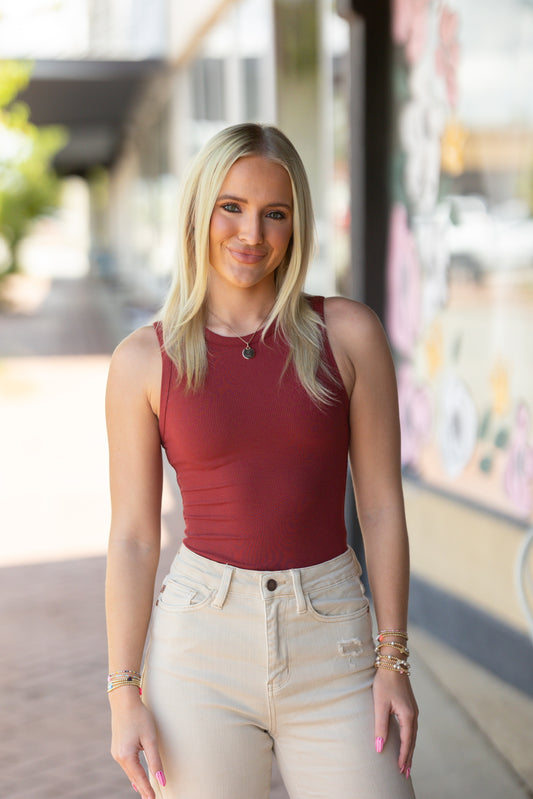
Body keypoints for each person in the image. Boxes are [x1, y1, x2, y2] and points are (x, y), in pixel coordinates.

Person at [105, 122, 418, 799]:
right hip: (199, 646)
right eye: (232, 207)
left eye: (275, 213)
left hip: (333, 638)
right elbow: (132, 535)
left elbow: (382, 505)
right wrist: (122, 690)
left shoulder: (347, 334)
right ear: (199, 211)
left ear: (296, 224)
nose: (252, 233)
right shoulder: (142, 360)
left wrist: (392, 657)